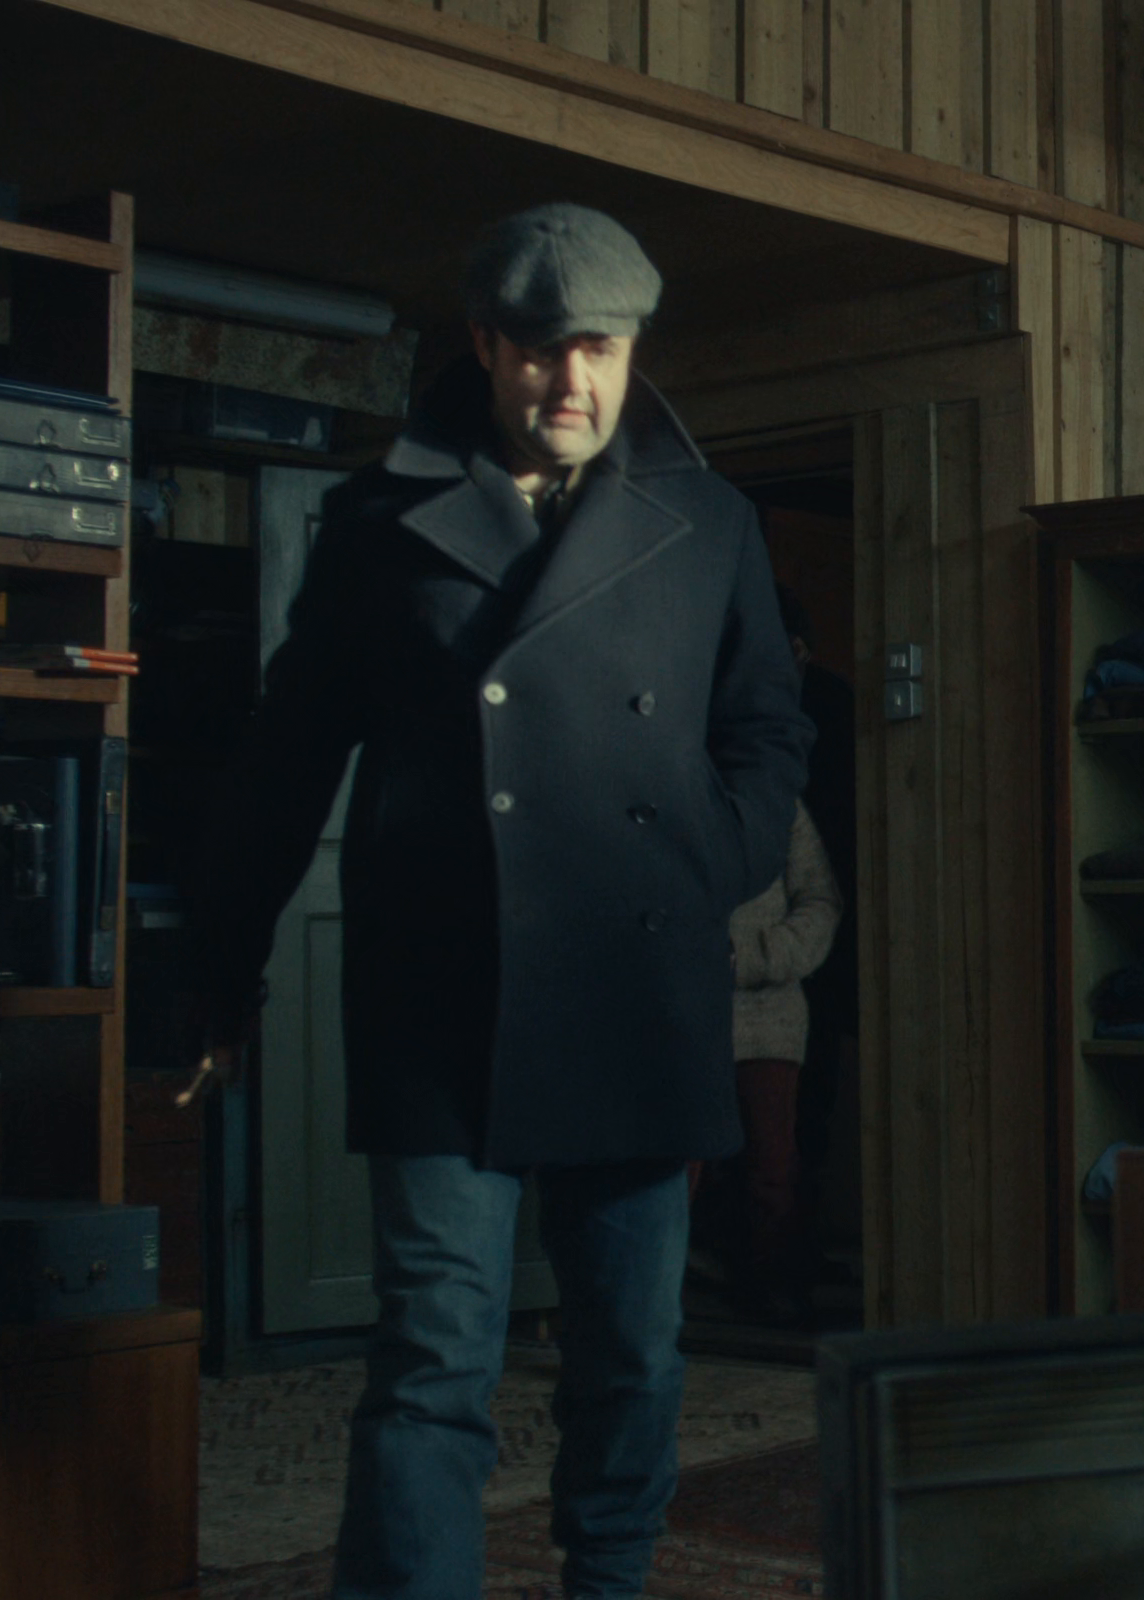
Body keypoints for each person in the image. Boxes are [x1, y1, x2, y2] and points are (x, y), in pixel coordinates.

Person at [175, 202, 813, 1600]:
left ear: (633, 349)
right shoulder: (377, 521)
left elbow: (768, 731)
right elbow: (285, 759)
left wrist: (703, 860)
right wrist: (221, 968)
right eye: (539, 349)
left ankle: (610, 1581)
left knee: (631, 1349)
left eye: (601, 349)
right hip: (441, 995)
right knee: (432, 1355)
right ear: (483, 343)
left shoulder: (710, 522)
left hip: (637, 984)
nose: (571, 382)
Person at [723, 808, 837, 1320]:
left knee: (773, 1169)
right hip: (678, 1014)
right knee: (671, 1172)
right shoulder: (667, 787)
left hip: (767, 1017)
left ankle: (774, 1291)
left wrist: (749, 957)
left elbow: (820, 901)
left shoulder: (779, 806)